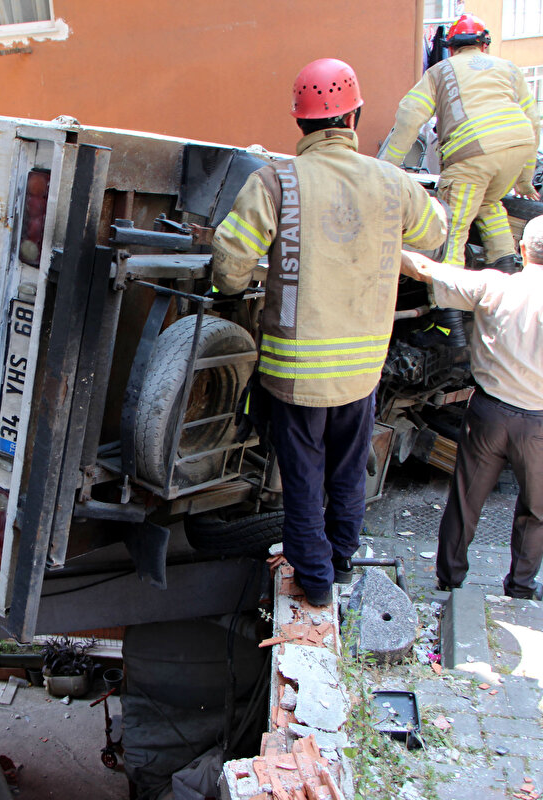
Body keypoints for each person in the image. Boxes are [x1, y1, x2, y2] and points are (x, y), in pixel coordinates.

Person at [210, 58, 447, 607]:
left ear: (300, 123)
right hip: (362, 371)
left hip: (296, 373)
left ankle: (313, 582)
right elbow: (435, 232)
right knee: (346, 472)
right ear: (355, 116)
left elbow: (228, 262)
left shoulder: (275, 181)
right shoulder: (393, 181)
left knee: (302, 480)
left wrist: (232, 288)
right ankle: (339, 562)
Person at [400, 215, 543, 600]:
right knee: (536, 511)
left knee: (466, 499)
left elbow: (425, 268)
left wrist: (384, 245)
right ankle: (521, 586)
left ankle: (449, 579)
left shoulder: (491, 285)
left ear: (522, 249)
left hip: (488, 415)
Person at [381, 13, 540, 275]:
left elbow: (409, 117)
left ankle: (449, 312)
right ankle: (506, 276)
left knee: (454, 226)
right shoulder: (509, 69)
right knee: (488, 203)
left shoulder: (439, 71)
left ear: (451, 48)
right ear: (484, 45)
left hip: (471, 155)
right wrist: (525, 179)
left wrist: (386, 167)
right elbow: (533, 121)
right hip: (518, 147)